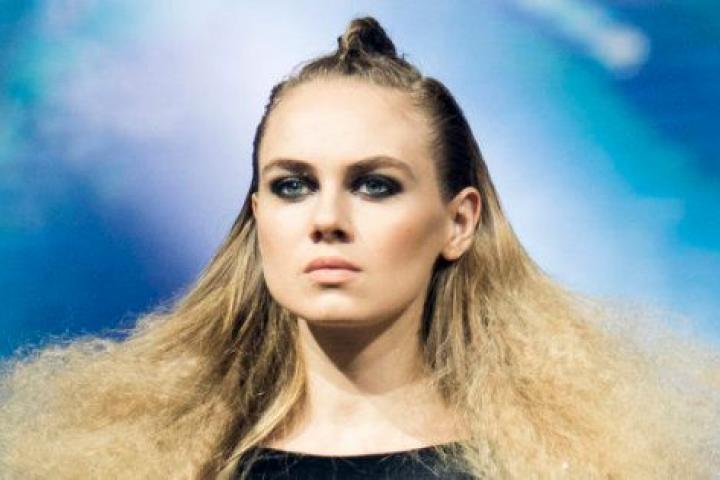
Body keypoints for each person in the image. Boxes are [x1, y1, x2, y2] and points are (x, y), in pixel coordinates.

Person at [1, 15, 719, 480]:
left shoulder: (574, 467)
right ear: (257, 215)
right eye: (292, 186)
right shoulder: (134, 463)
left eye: (375, 185)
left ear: (459, 222)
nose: (327, 219)